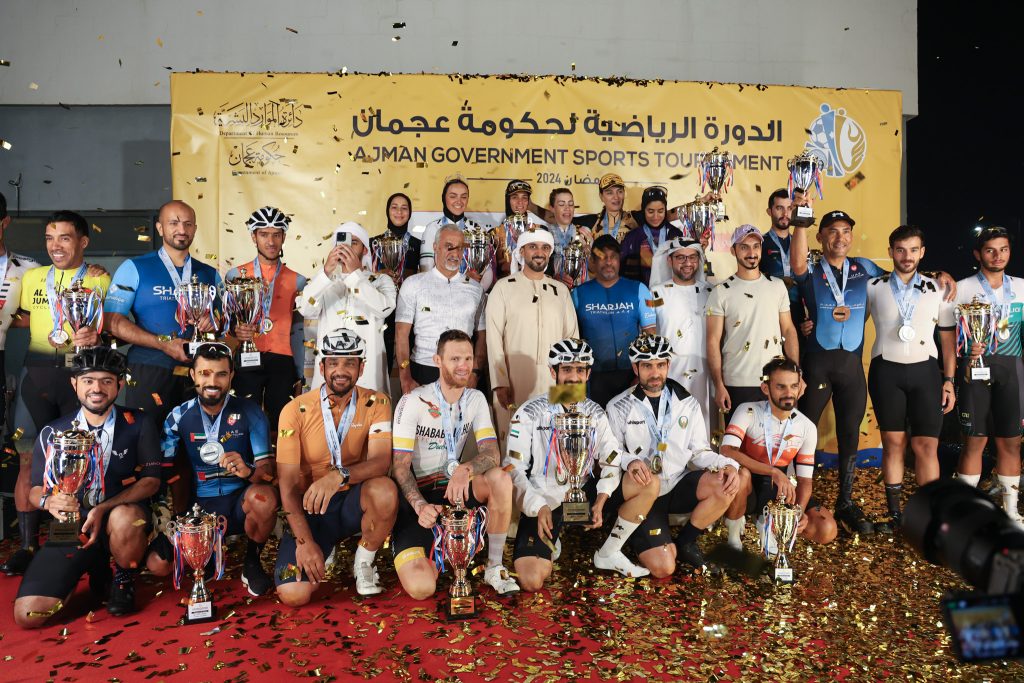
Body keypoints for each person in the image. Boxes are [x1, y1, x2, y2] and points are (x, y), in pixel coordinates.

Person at [13, 347, 162, 626]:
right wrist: (48, 501)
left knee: (125, 517)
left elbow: (152, 481)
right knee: (28, 616)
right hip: (72, 527)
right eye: (88, 380)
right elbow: (35, 490)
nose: (97, 388)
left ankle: (123, 578)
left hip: (118, 519)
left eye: (106, 381)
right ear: (75, 384)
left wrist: (103, 509)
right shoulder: (54, 432)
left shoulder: (139, 423)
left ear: (119, 385)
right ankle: (94, 563)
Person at [3, 211, 109, 576]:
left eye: (64, 237)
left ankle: (77, 539)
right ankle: (27, 546)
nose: (55, 246)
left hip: (79, 377)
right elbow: (17, 316)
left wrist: (98, 335)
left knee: (82, 461)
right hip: (37, 376)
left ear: (83, 241)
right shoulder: (32, 276)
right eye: (49, 238)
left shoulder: (100, 279)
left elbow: (112, 326)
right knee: (28, 461)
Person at [508, 338, 658, 591]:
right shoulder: (530, 412)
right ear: (553, 372)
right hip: (545, 501)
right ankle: (553, 537)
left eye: (580, 370)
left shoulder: (595, 412)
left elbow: (611, 457)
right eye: (567, 369)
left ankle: (609, 552)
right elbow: (513, 468)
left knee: (648, 483)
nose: (574, 377)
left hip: (584, 494)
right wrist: (537, 505)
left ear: (588, 374)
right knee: (531, 580)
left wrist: (601, 498)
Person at [105, 201, 220, 514]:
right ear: (159, 227)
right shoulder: (135, 267)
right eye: (173, 223)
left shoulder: (210, 273)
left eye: (188, 223)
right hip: (149, 369)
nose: (181, 229)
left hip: (198, 374)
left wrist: (214, 321)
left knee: (194, 447)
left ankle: (187, 519)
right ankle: (146, 519)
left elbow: (223, 321)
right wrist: (162, 344)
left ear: (195, 228)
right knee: (147, 447)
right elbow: (112, 321)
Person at [391, 330, 519, 599]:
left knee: (500, 478)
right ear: (437, 360)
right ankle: (438, 550)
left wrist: (465, 469)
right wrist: (419, 505)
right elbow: (400, 466)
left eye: (468, 358)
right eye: (455, 359)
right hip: (420, 500)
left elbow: (492, 453)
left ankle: (494, 566)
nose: (463, 366)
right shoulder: (413, 400)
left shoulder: (475, 398)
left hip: (454, 491)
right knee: (421, 588)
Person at [273, 331, 398, 605]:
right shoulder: (294, 410)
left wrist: (339, 476)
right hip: (310, 509)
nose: (341, 371)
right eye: (333, 363)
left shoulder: (377, 403)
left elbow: (381, 462)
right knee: (293, 594)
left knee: (385, 490)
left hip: (351, 502)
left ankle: (364, 561)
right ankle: (320, 545)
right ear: (322, 367)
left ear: (361, 368)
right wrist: (304, 543)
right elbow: (288, 485)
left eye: (349, 363)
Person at [607, 335, 745, 574]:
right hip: (644, 492)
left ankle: (686, 542)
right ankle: (634, 530)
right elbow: (611, 453)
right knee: (664, 568)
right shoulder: (618, 406)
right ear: (635, 368)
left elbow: (700, 452)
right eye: (647, 366)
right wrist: (631, 461)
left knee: (726, 482)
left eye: (661, 365)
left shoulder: (688, 403)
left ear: (668, 365)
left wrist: (728, 464)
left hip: (678, 484)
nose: (655, 373)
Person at [150, 342, 277, 596]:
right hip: (198, 508)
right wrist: (168, 517)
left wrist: (248, 470)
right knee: (157, 565)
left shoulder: (251, 412)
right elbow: (165, 471)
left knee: (264, 498)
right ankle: (204, 553)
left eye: (221, 374)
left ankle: (252, 561)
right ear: (192, 375)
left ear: (231, 376)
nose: (212, 382)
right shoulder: (178, 416)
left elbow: (268, 472)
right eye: (205, 373)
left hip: (239, 503)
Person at [866, 225, 955, 533]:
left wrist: (949, 380)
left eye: (913, 250)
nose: (907, 256)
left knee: (926, 447)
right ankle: (895, 517)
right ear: (891, 251)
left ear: (922, 252)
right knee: (893, 444)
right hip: (885, 372)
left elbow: (948, 341)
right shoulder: (873, 286)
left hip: (926, 373)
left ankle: (929, 518)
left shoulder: (939, 287)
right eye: (900, 250)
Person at [938, 226, 1024, 522]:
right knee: (974, 441)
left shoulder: (1021, 287)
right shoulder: (960, 289)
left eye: (1003, 249)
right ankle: (967, 514)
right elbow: (948, 340)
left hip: (1012, 372)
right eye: (990, 250)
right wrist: (952, 374)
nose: (998, 256)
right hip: (973, 372)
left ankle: (1011, 512)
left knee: (1010, 443)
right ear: (977, 254)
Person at [720, 358, 838, 550]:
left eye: (793, 386)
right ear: (765, 388)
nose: (788, 393)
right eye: (781, 386)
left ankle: (771, 524)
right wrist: (773, 471)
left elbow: (805, 480)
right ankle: (734, 537)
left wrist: (798, 511)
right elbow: (727, 450)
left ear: (800, 388)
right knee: (742, 475)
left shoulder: (806, 426)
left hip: (780, 488)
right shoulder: (748, 410)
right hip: (747, 484)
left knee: (827, 529)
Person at [486, 228, 579, 443]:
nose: (539, 252)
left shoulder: (560, 291)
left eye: (545, 247)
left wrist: (573, 385)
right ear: (522, 251)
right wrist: (500, 382)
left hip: (555, 382)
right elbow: (493, 339)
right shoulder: (503, 288)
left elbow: (572, 339)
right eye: (533, 247)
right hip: (514, 382)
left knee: (556, 443)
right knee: (514, 444)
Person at [224, 207, 307, 437]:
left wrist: (300, 374)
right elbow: (226, 322)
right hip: (247, 355)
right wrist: (236, 331)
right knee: (243, 420)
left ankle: (278, 460)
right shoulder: (235, 275)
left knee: (281, 424)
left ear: (284, 237)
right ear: (254, 237)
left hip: (282, 359)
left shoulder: (298, 280)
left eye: (276, 235)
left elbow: (299, 330)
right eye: (264, 234)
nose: (271, 241)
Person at [707, 225, 798, 424]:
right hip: (737, 382)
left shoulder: (777, 286)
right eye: (744, 247)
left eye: (756, 246)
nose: (751, 252)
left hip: (776, 380)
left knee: (777, 440)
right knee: (738, 442)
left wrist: (795, 374)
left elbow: (789, 330)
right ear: (733, 250)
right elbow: (713, 341)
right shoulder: (721, 292)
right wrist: (719, 385)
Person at [295, 221, 396, 394]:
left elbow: (384, 309)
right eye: (342, 243)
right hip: (330, 371)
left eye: (354, 242)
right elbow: (305, 308)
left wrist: (355, 276)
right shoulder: (325, 282)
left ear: (365, 250)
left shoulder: (381, 281)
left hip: (367, 371)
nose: (347, 248)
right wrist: (326, 272)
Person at [0, 193, 41, 575]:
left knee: (23, 452)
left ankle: (28, 545)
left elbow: (32, 317)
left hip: (11, 365)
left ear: (5, 222)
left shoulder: (28, 270)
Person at [394, 225, 486, 393]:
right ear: (435, 247)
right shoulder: (413, 284)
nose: (455, 253)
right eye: (449, 246)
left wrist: (475, 373)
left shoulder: (476, 289)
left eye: (459, 248)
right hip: (422, 369)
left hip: (463, 371)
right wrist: (404, 376)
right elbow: (401, 334)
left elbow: (482, 336)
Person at [571, 235, 656, 406]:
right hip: (592, 378)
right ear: (592, 261)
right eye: (602, 257)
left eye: (613, 257)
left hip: (631, 375)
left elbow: (651, 335)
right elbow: (571, 339)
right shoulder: (577, 293)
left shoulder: (641, 289)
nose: (609, 262)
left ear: (619, 260)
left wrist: (643, 374)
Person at [648, 238, 715, 427]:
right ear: (669, 260)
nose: (687, 263)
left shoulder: (711, 292)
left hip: (705, 372)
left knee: (704, 424)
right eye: (681, 258)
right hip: (669, 372)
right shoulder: (655, 293)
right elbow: (648, 334)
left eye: (692, 257)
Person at [415, 177, 496, 290]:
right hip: (439, 293)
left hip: (471, 293)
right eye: (453, 196)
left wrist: (476, 292)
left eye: (464, 197)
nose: (459, 201)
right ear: (444, 198)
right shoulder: (432, 228)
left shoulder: (479, 230)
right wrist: (461, 281)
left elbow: (487, 271)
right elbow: (426, 271)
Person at [370, 192, 420, 373]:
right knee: (380, 361)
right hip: (381, 308)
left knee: (408, 360)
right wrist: (379, 275)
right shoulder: (374, 243)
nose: (399, 212)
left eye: (404, 208)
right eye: (394, 207)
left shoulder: (418, 244)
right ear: (387, 211)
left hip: (408, 308)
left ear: (410, 213)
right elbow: (364, 277)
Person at [620, 186, 683, 287]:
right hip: (640, 293)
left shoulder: (675, 234)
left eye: (660, 211)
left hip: (670, 292)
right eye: (650, 211)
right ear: (643, 210)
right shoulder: (632, 237)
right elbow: (623, 272)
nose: (655, 217)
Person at [493, 180, 547, 278]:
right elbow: (491, 271)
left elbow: (548, 268)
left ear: (528, 202)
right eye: (515, 197)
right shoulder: (495, 233)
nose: (520, 202)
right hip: (505, 285)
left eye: (524, 198)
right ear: (508, 200)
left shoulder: (541, 231)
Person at [545, 188, 592, 288]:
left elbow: (594, 268)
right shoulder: (544, 234)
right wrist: (552, 278)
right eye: (561, 204)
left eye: (570, 204)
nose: (567, 208)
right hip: (552, 290)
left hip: (580, 290)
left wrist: (589, 253)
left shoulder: (584, 233)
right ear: (552, 208)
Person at [577, 173, 638, 243]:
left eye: (620, 191)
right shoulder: (591, 221)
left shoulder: (636, 218)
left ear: (624, 193)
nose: (616, 197)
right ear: (601, 196)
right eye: (610, 193)